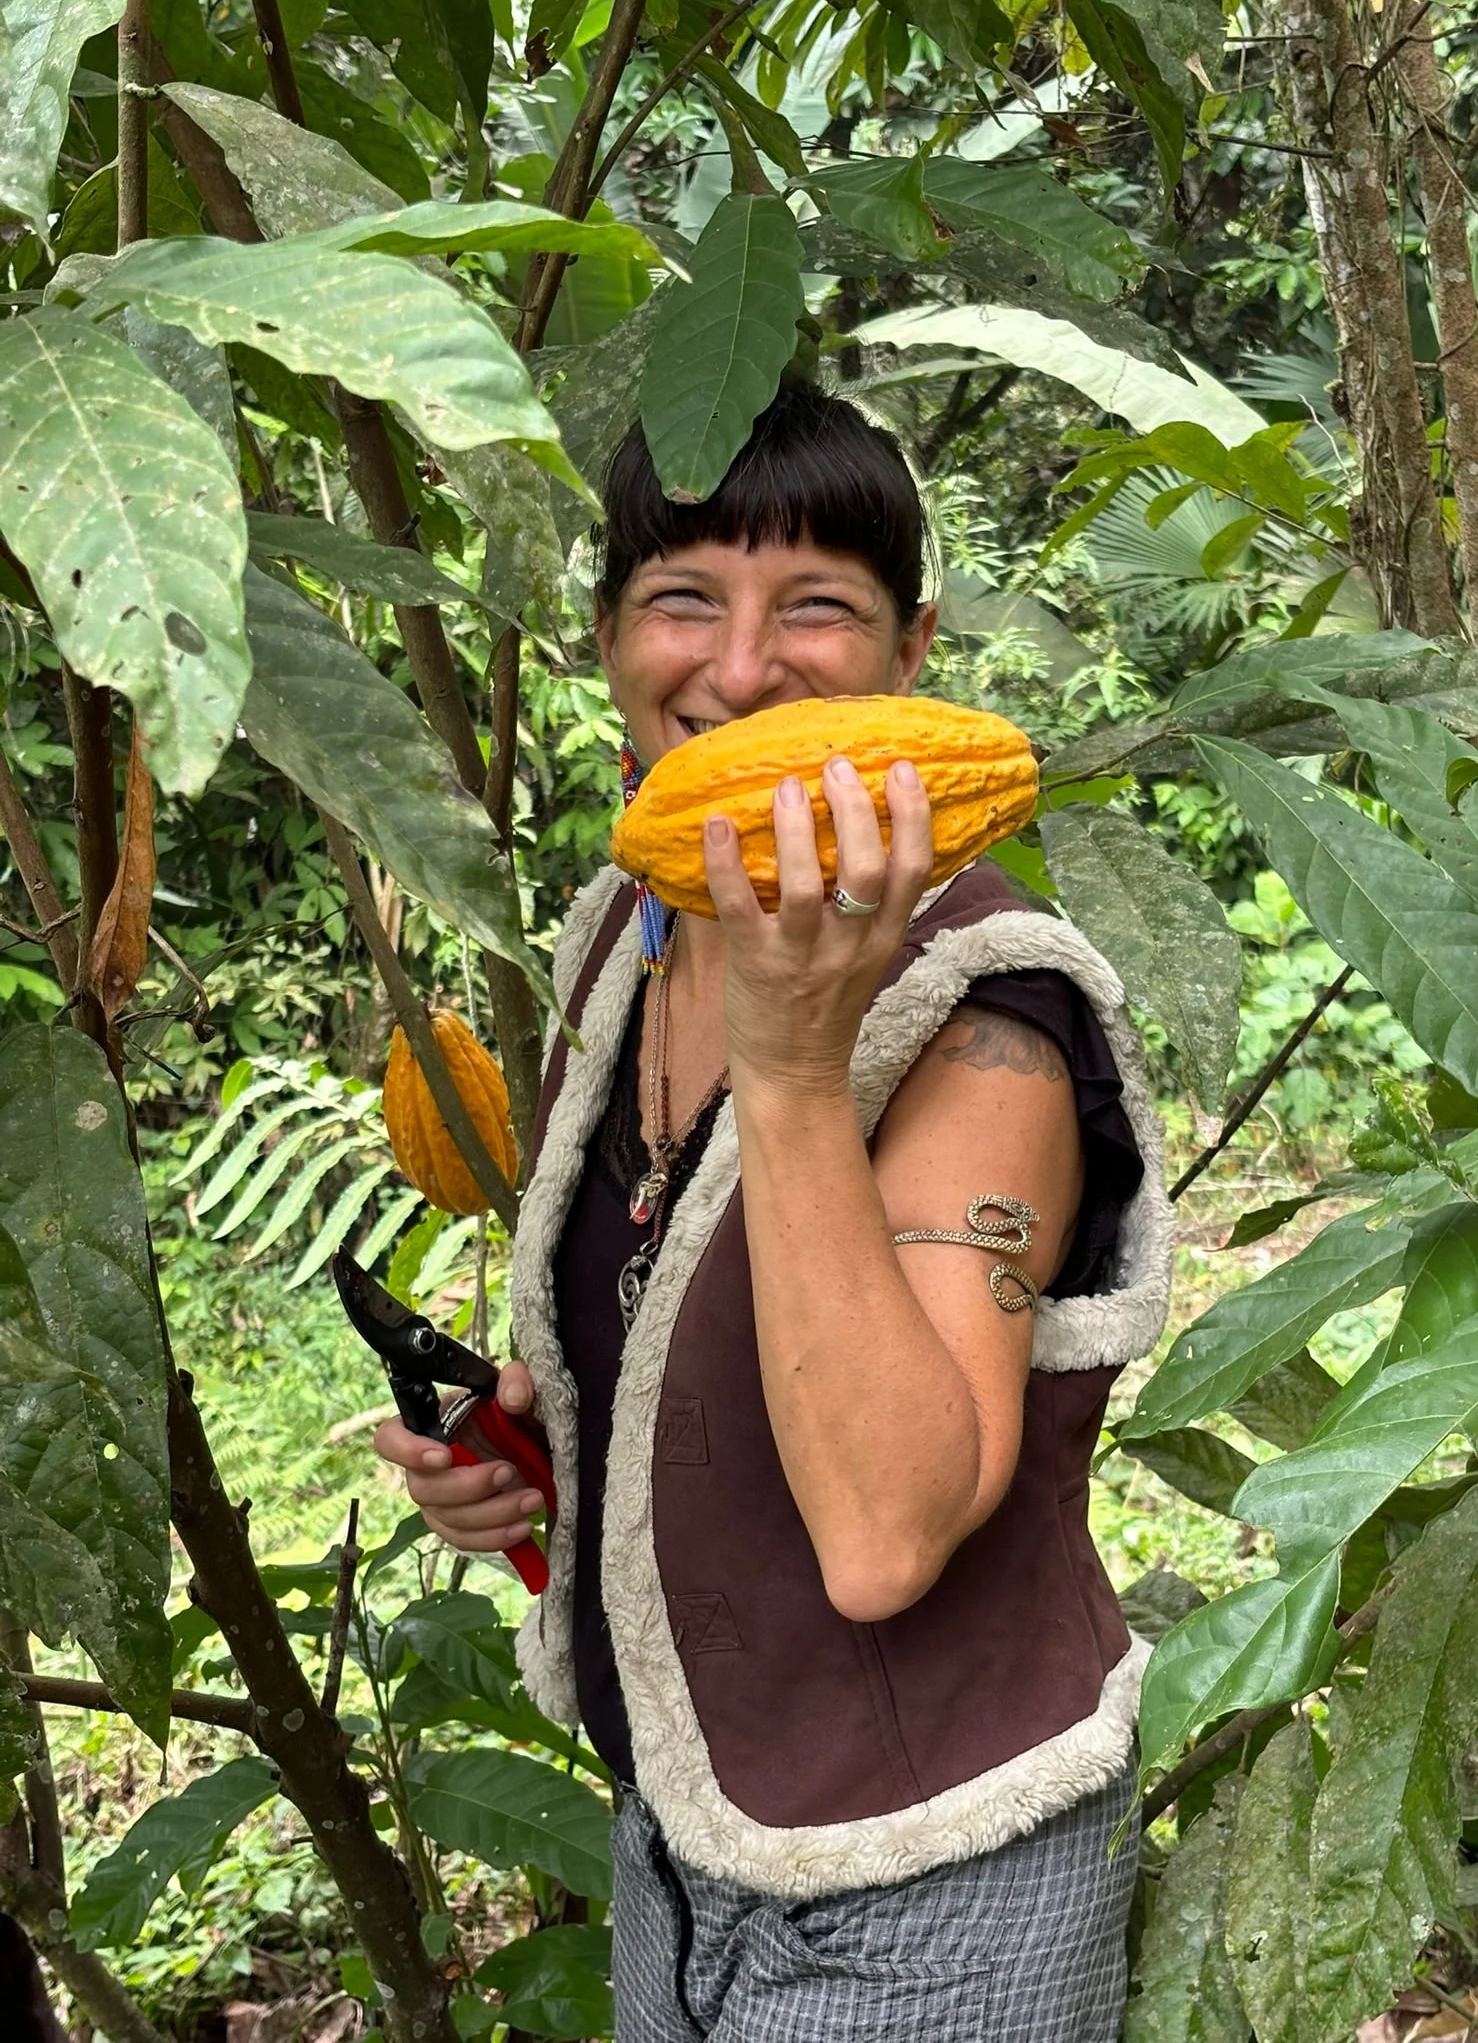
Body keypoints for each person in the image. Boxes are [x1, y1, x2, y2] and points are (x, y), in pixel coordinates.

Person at [374, 378, 1173, 2041]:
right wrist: (534, 1462)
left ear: (910, 651)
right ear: (609, 638)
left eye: (815, 606)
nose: (739, 673)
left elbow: (886, 1539)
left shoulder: (990, 1015)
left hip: (933, 1887)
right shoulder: (631, 926)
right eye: (683, 598)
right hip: (686, 1834)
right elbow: (677, 1310)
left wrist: (797, 1066)